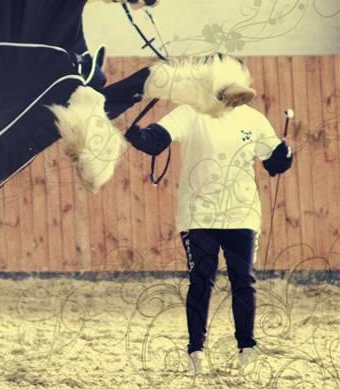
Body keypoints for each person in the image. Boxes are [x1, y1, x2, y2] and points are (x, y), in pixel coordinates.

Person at [124, 100, 293, 373]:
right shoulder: (190, 112)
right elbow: (158, 140)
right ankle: (196, 351)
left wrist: (284, 156)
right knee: (201, 280)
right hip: (199, 214)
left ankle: (247, 347)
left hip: (241, 213)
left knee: (243, 279)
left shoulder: (252, 117)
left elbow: (272, 162)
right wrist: (139, 137)